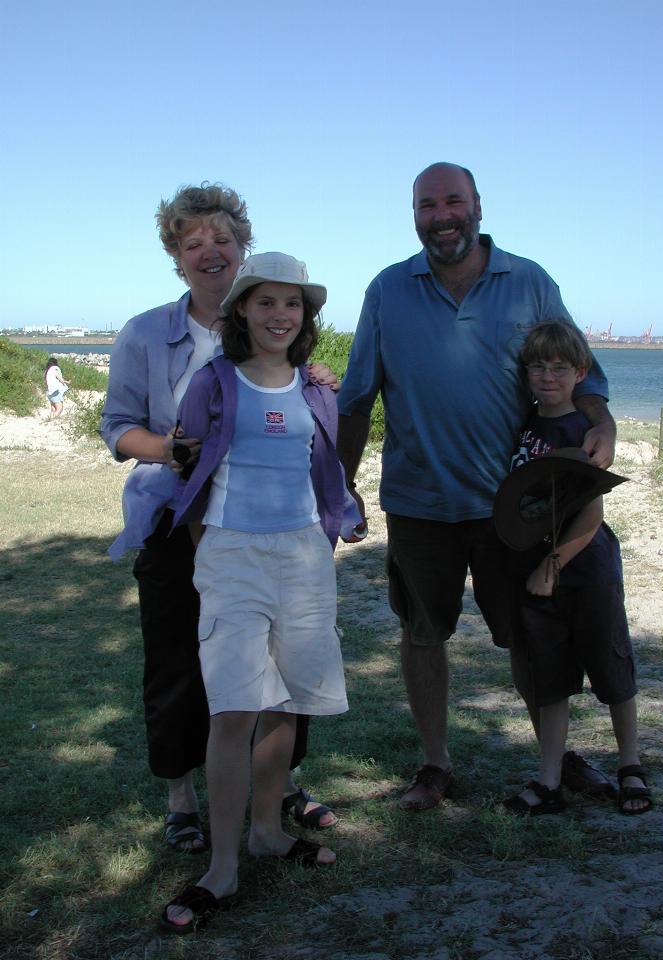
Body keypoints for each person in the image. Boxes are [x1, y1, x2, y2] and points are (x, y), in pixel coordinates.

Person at [337, 161, 618, 811]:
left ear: (479, 207)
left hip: (512, 505)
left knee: (529, 635)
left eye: (453, 201)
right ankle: (435, 764)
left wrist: (601, 424)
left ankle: (556, 757)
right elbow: (356, 399)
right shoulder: (387, 290)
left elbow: (585, 373)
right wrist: (342, 484)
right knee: (422, 633)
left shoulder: (528, 282)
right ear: (415, 215)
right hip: (418, 503)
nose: (443, 216)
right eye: (428, 205)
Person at [100, 184, 340, 855]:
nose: (210, 251)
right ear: (176, 257)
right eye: (192, 242)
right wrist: (169, 450)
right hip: (176, 524)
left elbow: (303, 415)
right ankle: (181, 797)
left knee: (277, 662)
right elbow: (116, 427)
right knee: (178, 661)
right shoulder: (146, 334)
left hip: (272, 526)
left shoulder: (274, 323)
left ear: (243, 251)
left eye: (223, 239)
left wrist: (314, 379)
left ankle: (278, 788)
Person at [160, 252, 362, 933]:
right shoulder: (215, 381)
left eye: (294, 304)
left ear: (305, 317)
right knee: (234, 710)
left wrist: (342, 523)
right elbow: (187, 464)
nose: (281, 315)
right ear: (242, 308)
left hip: (304, 554)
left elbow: (328, 466)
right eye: (267, 301)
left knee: (287, 705)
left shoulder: (316, 386)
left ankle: (268, 832)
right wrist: (208, 552)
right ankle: (222, 865)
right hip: (232, 555)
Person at [500, 321, 652, 817]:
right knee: (549, 676)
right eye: (538, 367)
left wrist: (554, 562)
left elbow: (591, 511)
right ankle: (549, 780)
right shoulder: (524, 423)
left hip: (586, 568)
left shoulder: (583, 432)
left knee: (611, 668)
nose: (547, 376)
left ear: (580, 372)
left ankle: (630, 765)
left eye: (560, 368)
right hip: (533, 569)